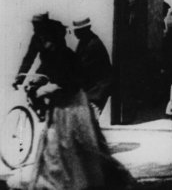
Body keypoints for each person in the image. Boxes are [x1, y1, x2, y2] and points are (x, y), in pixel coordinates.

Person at [18, 17, 134, 190]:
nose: (45, 44)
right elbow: (43, 66)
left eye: (48, 40)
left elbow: (73, 80)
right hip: (67, 103)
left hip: (89, 94)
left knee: (84, 142)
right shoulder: (60, 51)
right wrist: (33, 78)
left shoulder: (82, 49)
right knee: (63, 146)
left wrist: (48, 88)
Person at [72, 17, 113, 118]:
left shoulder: (93, 45)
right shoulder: (84, 41)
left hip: (97, 91)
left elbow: (81, 68)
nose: (74, 33)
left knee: (89, 123)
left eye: (77, 30)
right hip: (90, 90)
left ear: (85, 30)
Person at [14, 13, 67, 88]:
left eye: (38, 24)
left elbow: (54, 57)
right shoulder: (36, 38)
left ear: (44, 24)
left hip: (60, 68)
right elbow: (29, 57)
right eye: (34, 24)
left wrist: (40, 74)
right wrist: (20, 77)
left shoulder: (56, 35)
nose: (35, 27)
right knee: (32, 89)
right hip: (45, 69)